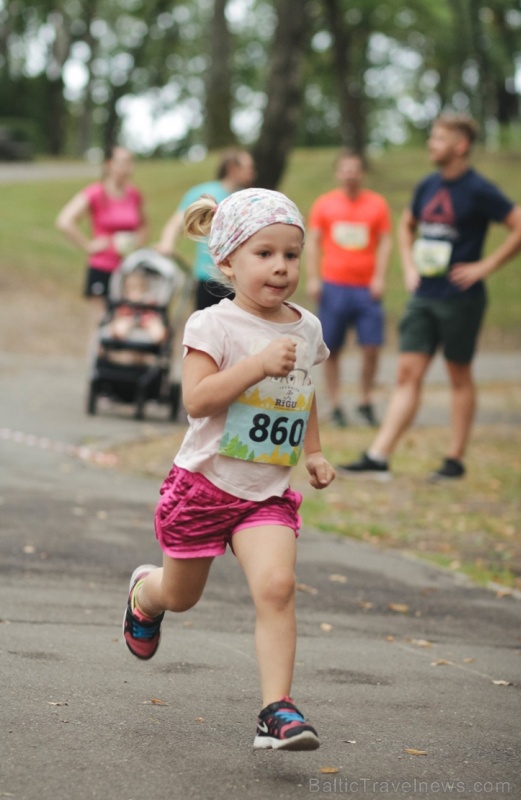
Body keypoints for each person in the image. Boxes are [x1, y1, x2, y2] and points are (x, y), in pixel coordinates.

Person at [123, 188, 335, 751]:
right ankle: (146, 595)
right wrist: (257, 364)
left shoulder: (307, 327)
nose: (280, 267)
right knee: (181, 596)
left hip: (266, 492)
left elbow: (303, 393)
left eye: (291, 254)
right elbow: (197, 400)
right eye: (264, 253)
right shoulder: (211, 325)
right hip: (204, 488)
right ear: (227, 262)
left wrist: (312, 451)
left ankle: (276, 710)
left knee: (277, 587)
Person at [338, 113, 521, 481]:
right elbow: (407, 223)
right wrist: (409, 266)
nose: (431, 143)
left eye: (439, 138)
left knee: (459, 373)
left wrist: (484, 266)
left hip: (461, 297)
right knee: (406, 373)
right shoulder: (428, 185)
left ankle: (454, 459)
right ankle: (379, 455)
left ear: (461, 146)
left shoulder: (479, 189)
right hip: (424, 295)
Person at [306, 151, 393, 428]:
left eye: (355, 169)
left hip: (366, 288)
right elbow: (313, 242)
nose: (350, 174)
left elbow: (386, 242)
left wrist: (379, 277)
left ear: (362, 173)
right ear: (338, 173)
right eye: (345, 169)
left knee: (371, 346)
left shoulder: (377, 205)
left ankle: (365, 400)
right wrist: (313, 278)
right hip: (333, 285)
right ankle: (336, 404)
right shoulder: (325, 204)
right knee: (332, 348)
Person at [56, 145, 148, 323]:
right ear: (109, 165)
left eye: (130, 163)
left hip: (128, 270)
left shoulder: (134, 194)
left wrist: (138, 244)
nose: (127, 168)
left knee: (126, 322)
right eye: (122, 163)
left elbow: (144, 226)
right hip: (102, 266)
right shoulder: (96, 192)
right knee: (101, 322)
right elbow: (64, 221)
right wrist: (88, 245)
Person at [156, 148, 256, 309]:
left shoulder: (248, 198)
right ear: (232, 168)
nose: (253, 173)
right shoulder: (204, 192)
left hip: (240, 279)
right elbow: (176, 223)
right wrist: (167, 243)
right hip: (209, 278)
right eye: (249, 168)